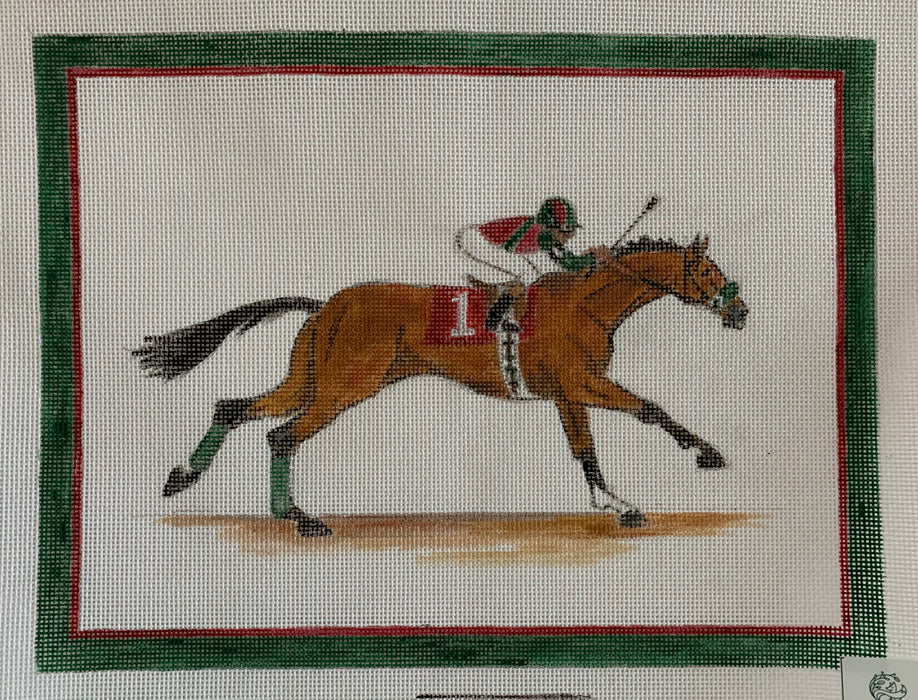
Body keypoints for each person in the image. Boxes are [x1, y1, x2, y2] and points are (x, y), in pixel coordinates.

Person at [456, 197, 610, 332]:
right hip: (475, 241)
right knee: (527, 274)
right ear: (550, 226)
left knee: (527, 274)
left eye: (572, 230)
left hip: (480, 240)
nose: (570, 236)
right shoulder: (543, 235)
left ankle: (500, 316)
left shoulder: (542, 230)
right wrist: (593, 257)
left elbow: (569, 261)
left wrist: (589, 258)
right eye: (566, 229)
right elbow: (569, 265)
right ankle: (495, 319)